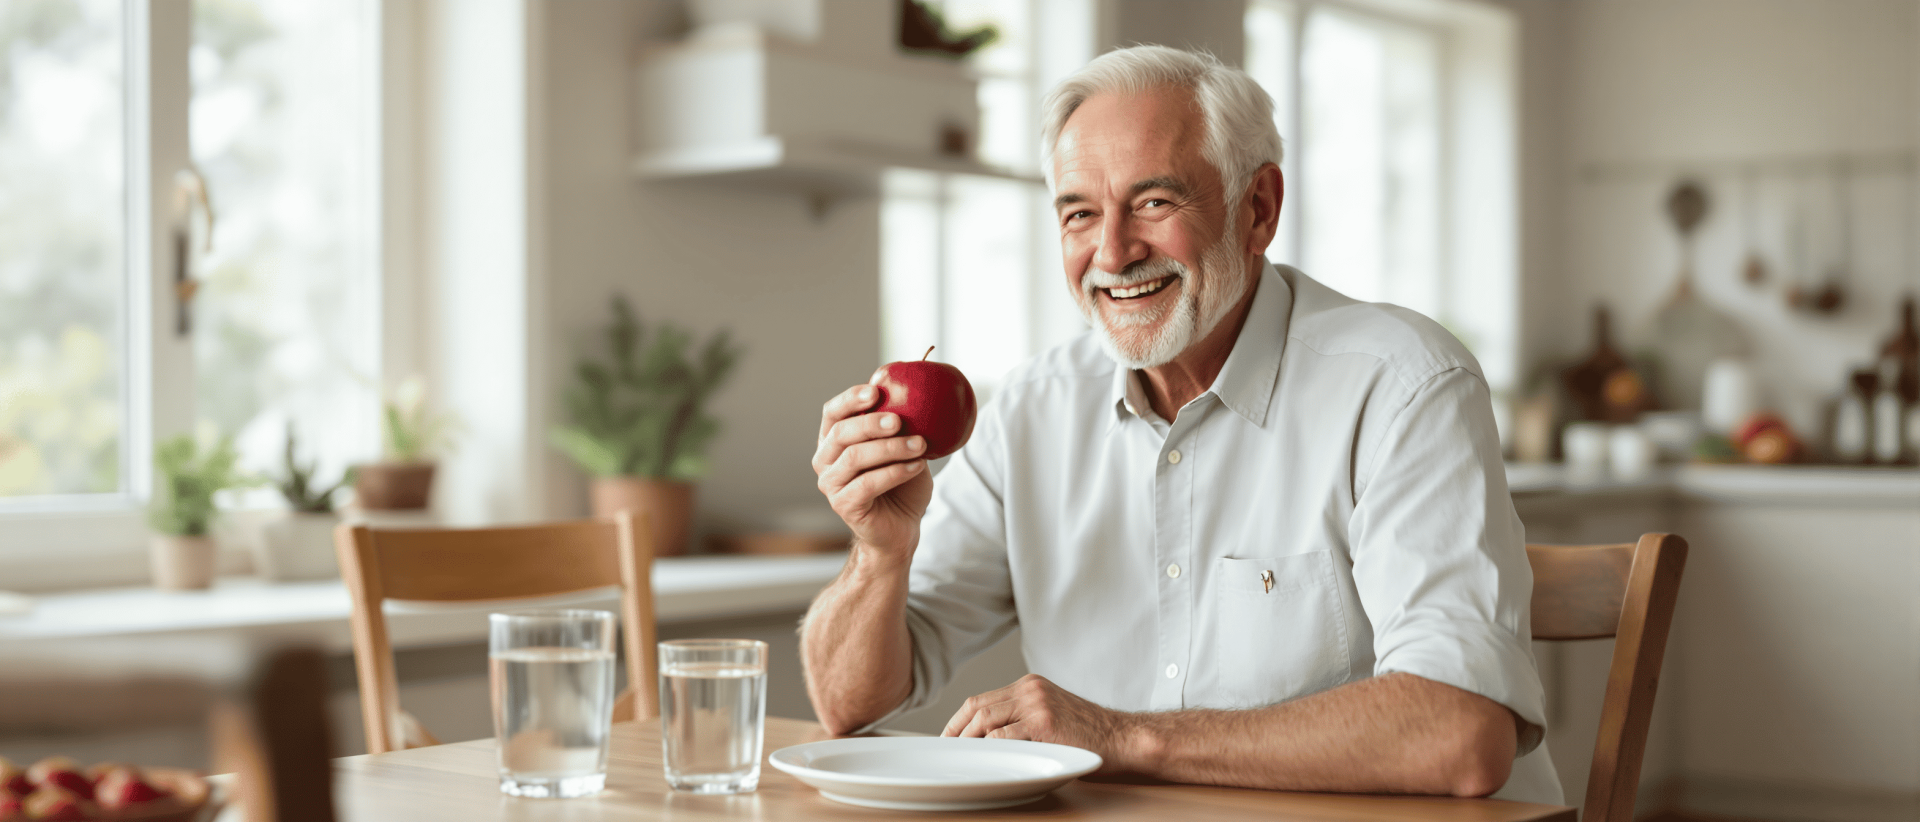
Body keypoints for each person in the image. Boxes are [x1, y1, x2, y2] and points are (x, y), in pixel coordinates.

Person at [801, 45, 1561, 803]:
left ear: (1257, 209)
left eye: (1154, 203)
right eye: (1080, 213)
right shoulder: (1033, 411)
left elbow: (1460, 735)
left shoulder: (1402, 384)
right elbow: (848, 703)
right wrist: (879, 554)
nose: (1112, 251)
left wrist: (1120, 737)